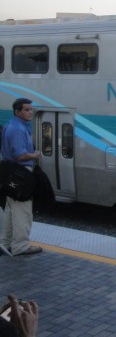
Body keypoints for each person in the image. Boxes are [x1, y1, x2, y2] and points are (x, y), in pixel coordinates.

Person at [0, 98, 42, 256]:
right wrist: (35, 154)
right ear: (18, 111)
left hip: (11, 173)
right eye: (26, 110)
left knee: (11, 210)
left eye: (31, 109)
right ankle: (21, 246)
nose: (30, 112)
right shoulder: (18, 129)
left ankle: (6, 243)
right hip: (21, 174)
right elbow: (20, 155)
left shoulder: (11, 124)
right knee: (23, 211)